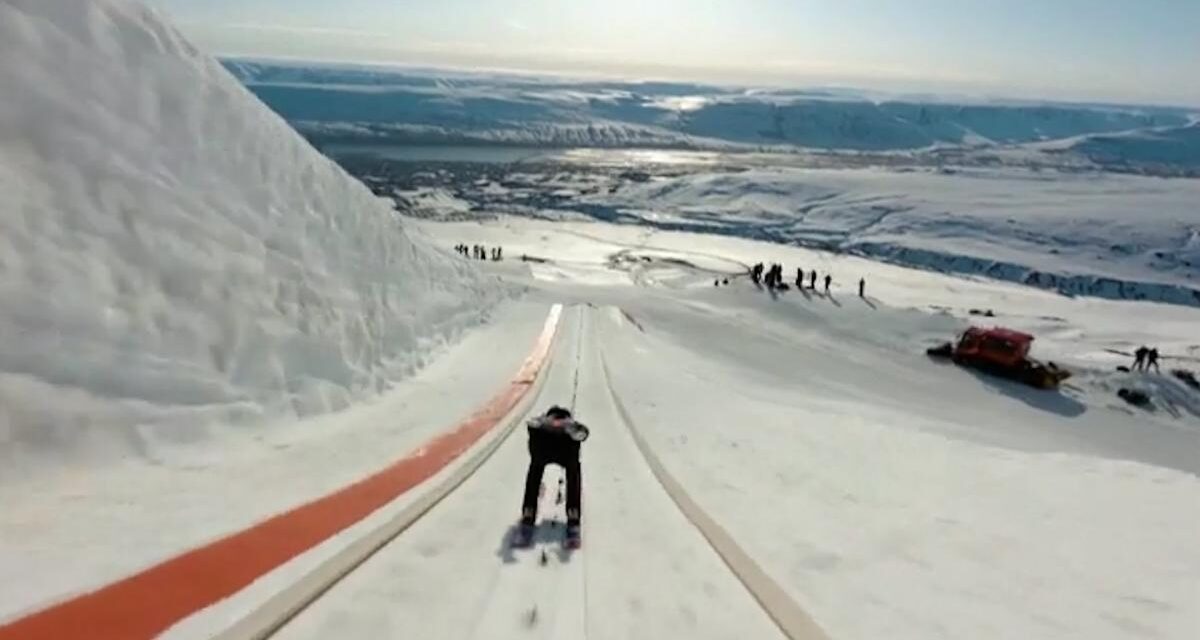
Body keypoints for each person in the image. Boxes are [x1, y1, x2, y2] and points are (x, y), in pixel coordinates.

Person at [516, 406, 589, 548]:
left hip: (547, 447)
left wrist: (535, 429)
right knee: (572, 471)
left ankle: (529, 513)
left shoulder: (546, 422)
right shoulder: (567, 424)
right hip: (560, 450)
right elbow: (584, 433)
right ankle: (572, 516)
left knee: (536, 469)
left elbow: (532, 429)